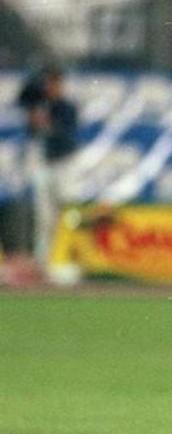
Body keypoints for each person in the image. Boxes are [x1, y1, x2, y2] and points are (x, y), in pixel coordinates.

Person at [17, 65, 78, 277]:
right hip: (44, 164)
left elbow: (66, 134)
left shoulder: (66, 106)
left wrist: (47, 124)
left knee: (67, 209)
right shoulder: (39, 102)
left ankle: (69, 258)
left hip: (64, 163)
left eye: (55, 83)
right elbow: (22, 98)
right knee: (44, 216)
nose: (52, 87)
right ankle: (42, 263)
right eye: (49, 82)